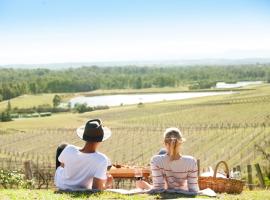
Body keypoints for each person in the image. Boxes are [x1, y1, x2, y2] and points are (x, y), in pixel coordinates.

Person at [54, 119, 113, 190]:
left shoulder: (69, 148)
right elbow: (96, 188)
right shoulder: (102, 159)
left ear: (84, 136)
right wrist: (107, 183)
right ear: (101, 139)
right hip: (80, 189)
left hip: (61, 185)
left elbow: (62, 166)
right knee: (107, 178)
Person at [136, 127, 199, 192]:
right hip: (185, 193)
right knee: (141, 183)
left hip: (166, 193)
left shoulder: (156, 160)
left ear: (165, 143)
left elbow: (158, 188)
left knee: (140, 183)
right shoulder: (191, 161)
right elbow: (193, 189)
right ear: (181, 142)